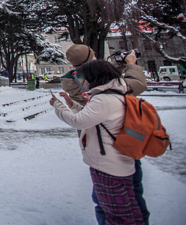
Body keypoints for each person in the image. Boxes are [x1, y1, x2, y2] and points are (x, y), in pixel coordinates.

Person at [61, 44, 149, 224]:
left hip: (98, 145)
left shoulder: (72, 79)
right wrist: (131, 65)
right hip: (117, 144)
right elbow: (137, 85)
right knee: (128, 197)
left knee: (105, 197)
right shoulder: (99, 84)